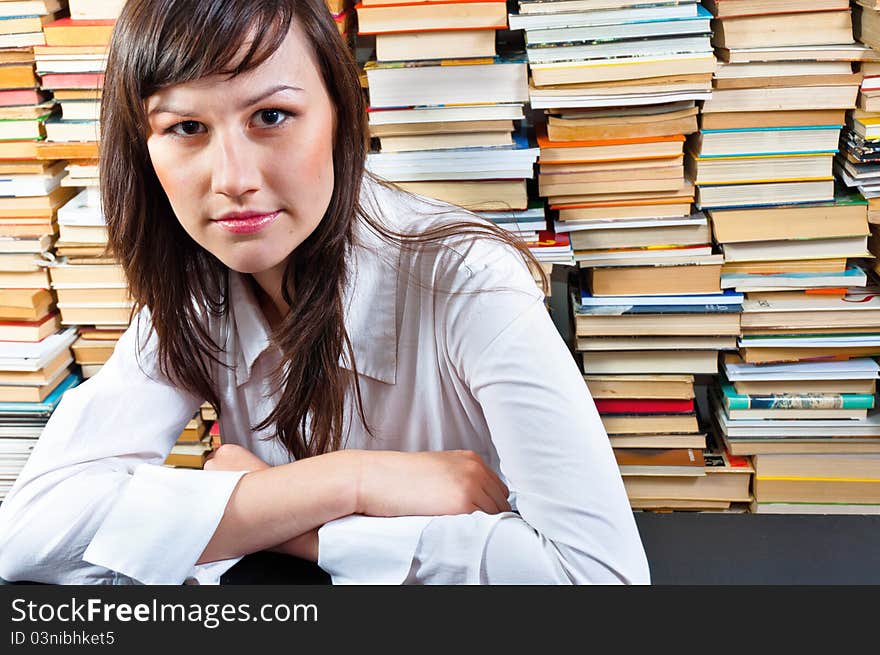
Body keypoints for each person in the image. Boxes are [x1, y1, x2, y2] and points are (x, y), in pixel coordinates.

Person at [0, 0, 650, 585]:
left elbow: (596, 580)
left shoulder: (467, 279)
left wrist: (286, 519)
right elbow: (26, 534)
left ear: (341, 115)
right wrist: (353, 479)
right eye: (187, 129)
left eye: (272, 115)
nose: (233, 179)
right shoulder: (198, 288)